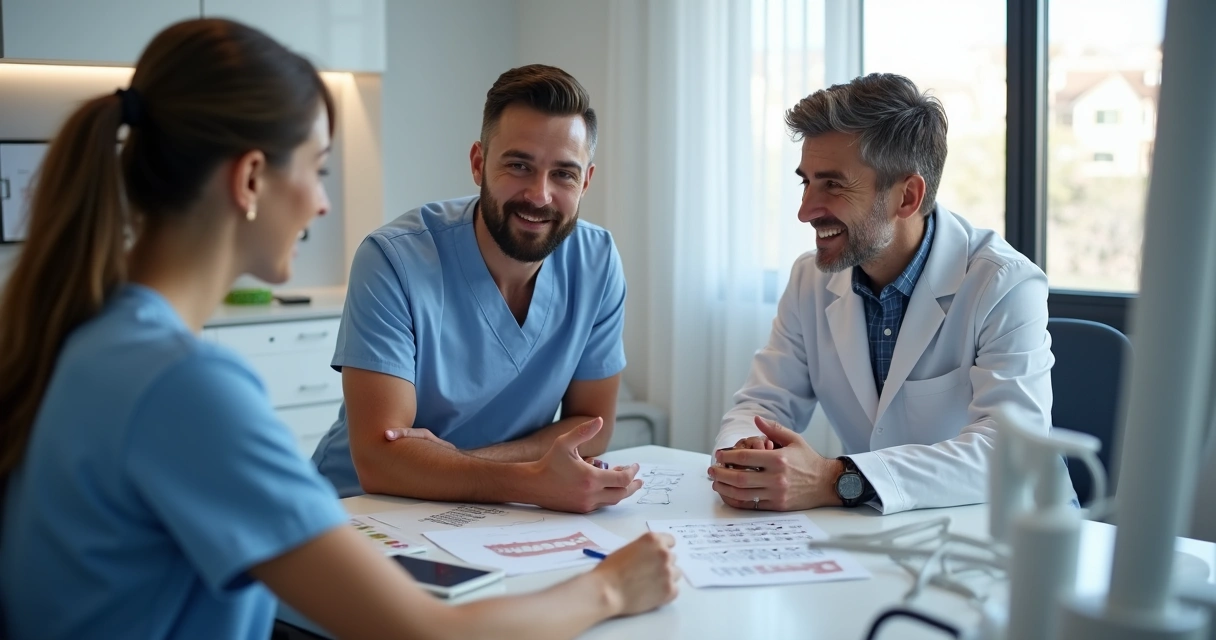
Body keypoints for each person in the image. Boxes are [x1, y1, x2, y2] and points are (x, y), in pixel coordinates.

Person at [0, 20, 678, 640]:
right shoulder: (187, 387)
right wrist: (612, 587)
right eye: (318, 168)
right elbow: (424, 633)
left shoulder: (93, 341)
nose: (324, 201)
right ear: (252, 179)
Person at [709, 73, 1053, 515]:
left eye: (832, 184)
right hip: (883, 532)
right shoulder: (810, 279)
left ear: (907, 197)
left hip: (1006, 534)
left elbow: (1010, 454)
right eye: (806, 182)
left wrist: (837, 479)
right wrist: (746, 452)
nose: (804, 211)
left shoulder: (1003, 284)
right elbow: (763, 401)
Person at [312, 64, 640, 512]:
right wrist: (529, 480)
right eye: (519, 165)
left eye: (563, 174)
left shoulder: (596, 260)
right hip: (362, 509)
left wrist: (456, 464)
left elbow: (593, 427)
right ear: (478, 163)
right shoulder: (394, 260)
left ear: (585, 182)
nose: (539, 195)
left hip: (492, 509)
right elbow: (380, 461)